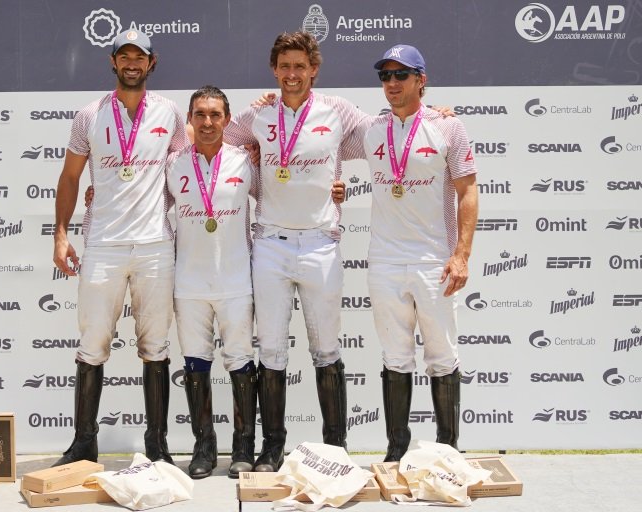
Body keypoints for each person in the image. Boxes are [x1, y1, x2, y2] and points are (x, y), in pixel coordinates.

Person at [223, 31, 367, 471]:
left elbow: (384, 135)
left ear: (314, 69)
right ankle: (272, 447)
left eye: (299, 66)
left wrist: (435, 115)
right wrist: (250, 151)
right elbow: (218, 139)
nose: (291, 75)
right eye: (284, 66)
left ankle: (335, 449)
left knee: (326, 350)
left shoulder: (337, 110)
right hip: (270, 243)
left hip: (321, 243)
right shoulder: (259, 113)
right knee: (271, 350)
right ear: (274, 69)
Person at [51, 29, 187, 467]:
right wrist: (60, 234)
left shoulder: (170, 113)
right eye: (123, 56)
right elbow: (71, 177)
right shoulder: (88, 115)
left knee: (156, 346)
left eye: (139, 56)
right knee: (92, 345)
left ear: (152, 63)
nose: (131, 63)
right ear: (113, 62)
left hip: (154, 246)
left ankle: (157, 444)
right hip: (103, 245)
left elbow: (186, 170)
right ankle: (84, 443)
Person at [355, 44, 478, 461]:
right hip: (386, 260)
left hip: (433, 260)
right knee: (395, 357)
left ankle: (448, 450)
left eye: (400, 75)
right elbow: (315, 134)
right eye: (385, 76)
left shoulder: (448, 127)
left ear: (420, 81)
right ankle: (396, 451)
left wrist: (461, 255)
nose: (391, 84)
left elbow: (468, 191)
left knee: (442, 356)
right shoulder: (370, 129)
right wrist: (266, 102)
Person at [166, 85, 259, 479]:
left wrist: (334, 190)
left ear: (227, 119)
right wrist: (94, 194)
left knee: (240, 362)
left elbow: (287, 195)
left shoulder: (246, 162)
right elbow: (139, 199)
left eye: (215, 115)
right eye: (200, 114)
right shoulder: (171, 164)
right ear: (189, 119)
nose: (207, 122)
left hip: (237, 280)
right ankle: (203, 448)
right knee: (195, 364)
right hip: (188, 284)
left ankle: (243, 448)